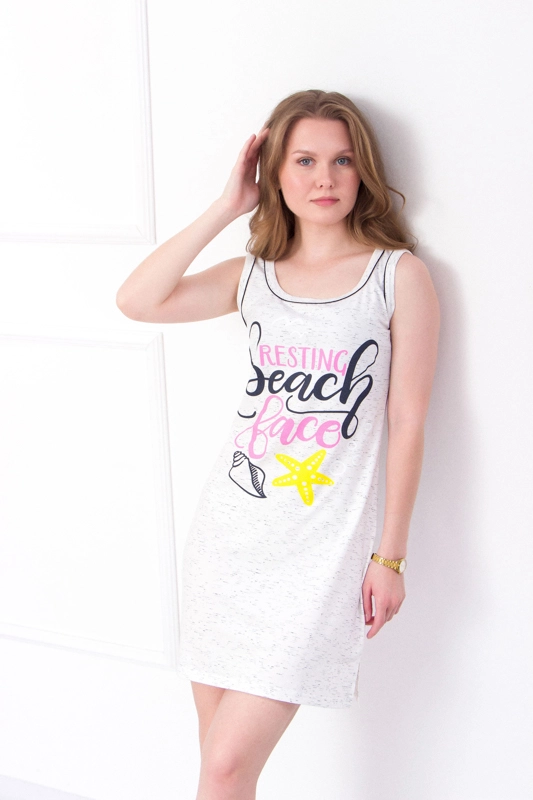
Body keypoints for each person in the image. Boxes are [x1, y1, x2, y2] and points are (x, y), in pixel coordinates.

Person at [116, 89, 440, 800]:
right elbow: (137, 300)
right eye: (304, 161)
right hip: (230, 541)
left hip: (322, 553)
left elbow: (408, 420)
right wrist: (226, 207)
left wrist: (389, 556)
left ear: (363, 171)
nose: (325, 178)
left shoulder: (396, 276)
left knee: (226, 767)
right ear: (273, 172)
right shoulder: (253, 277)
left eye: (342, 160)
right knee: (219, 764)